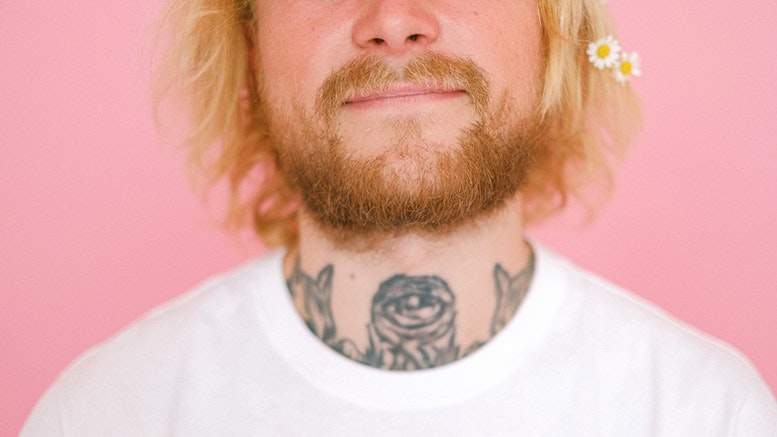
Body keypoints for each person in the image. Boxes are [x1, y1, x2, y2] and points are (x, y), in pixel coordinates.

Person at [22, 0, 777, 435]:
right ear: (248, 45)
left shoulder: (706, 414)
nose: (392, 21)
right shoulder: (103, 415)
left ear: (552, 31)